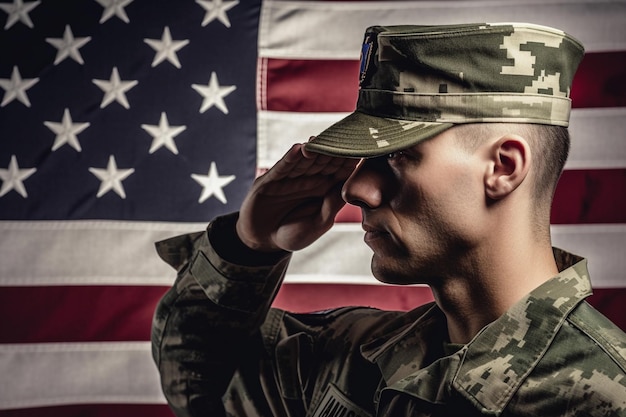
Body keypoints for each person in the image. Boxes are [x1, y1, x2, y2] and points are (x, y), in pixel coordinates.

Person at [151, 23, 626, 417]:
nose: (357, 189)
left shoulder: (604, 397)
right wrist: (248, 246)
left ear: (503, 168)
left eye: (397, 155)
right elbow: (200, 385)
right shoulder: (353, 358)